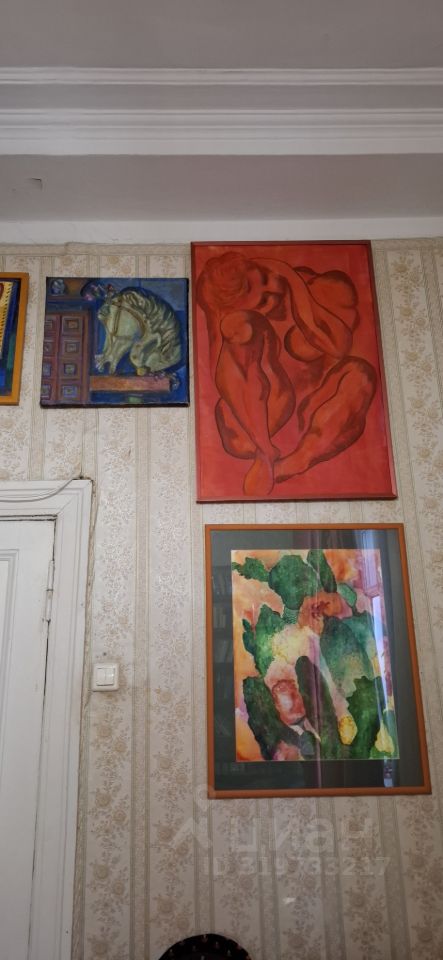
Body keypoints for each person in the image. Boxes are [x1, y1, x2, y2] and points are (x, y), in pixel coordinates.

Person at [196, 252, 377, 497]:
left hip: (319, 408)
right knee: (240, 326)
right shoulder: (241, 325)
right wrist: (262, 442)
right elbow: (226, 381)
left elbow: (339, 346)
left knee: (360, 376)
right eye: (263, 302)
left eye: (266, 278)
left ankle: (294, 463)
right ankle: (264, 449)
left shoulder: (323, 288)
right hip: (266, 416)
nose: (275, 290)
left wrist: (293, 281)